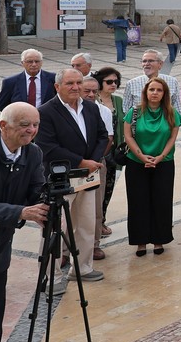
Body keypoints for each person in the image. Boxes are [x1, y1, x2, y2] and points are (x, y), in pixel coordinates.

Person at [0, 103, 48, 342]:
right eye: (24, 125)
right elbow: (20, 207)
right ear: (4, 126)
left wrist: (48, 199)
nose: (31, 131)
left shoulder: (33, 153)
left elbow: (36, 189)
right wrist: (20, 212)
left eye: (35, 125)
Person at [36, 69, 109, 282]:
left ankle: (83, 268)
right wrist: (81, 162)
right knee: (56, 228)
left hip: (87, 176)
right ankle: (51, 276)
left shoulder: (92, 108)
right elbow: (47, 146)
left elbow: (102, 136)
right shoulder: (46, 112)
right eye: (70, 83)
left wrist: (93, 162)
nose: (75, 87)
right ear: (57, 86)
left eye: (78, 82)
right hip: (61, 178)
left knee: (86, 225)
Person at [124, 77, 181, 256]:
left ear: (164, 94)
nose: (155, 93)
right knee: (138, 202)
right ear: (145, 92)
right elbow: (128, 136)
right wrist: (141, 156)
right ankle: (140, 241)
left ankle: (159, 239)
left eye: (159, 90)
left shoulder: (171, 112)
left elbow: (172, 137)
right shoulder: (134, 112)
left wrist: (160, 156)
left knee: (162, 201)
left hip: (163, 162)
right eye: (152, 90)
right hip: (136, 162)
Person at [81, 76, 113, 262]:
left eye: (94, 91)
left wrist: (92, 161)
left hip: (96, 165)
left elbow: (107, 139)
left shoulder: (103, 111)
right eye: (87, 91)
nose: (91, 94)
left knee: (95, 206)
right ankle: (66, 249)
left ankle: (94, 244)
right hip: (74, 165)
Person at [92, 67, 123, 238]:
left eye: (116, 82)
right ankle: (93, 224)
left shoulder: (118, 101)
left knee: (108, 188)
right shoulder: (93, 101)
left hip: (113, 153)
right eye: (109, 81)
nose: (113, 84)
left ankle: (101, 220)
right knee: (95, 190)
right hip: (97, 153)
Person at [123, 49, 181, 114]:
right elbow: (126, 110)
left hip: (165, 122)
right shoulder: (131, 84)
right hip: (140, 122)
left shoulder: (172, 81)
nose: (147, 64)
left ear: (160, 64)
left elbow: (177, 110)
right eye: (144, 61)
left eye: (150, 61)